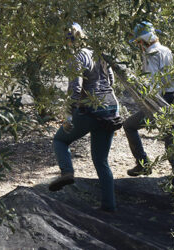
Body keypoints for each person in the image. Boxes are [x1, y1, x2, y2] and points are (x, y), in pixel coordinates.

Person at [49, 23, 121, 212]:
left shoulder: (76, 56)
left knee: (60, 140)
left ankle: (67, 172)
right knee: (101, 160)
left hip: (90, 110)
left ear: (67, 40)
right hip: (111, 109)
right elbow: (111, 81)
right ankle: (109, 206)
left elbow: (75, 89)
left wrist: (68, 115)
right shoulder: (99, 53)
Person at [123, 21, 174, 192]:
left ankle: (143, 163)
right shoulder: (167, 50)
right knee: (171, 140)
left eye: (138, 43)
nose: (138, 46)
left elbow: (151, 83)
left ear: (143, 41)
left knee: (129, 125)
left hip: (160, 101)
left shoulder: (151, 54)